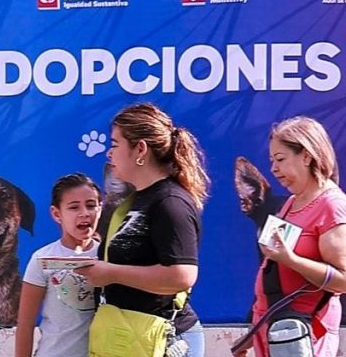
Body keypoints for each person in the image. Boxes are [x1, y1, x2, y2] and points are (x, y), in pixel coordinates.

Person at [77, 102, 208, 357]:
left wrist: (111, 273)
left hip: (163, 340)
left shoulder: (170, 202)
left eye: (115, 144)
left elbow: (182, 275)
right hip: (128, 336)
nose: (109, 153)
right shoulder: (135, 201)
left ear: (140, 149)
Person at [242, 116, 346, 357]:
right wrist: (253, 334)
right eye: (272, 161)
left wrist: (292, 260)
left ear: (306, 156)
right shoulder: (291, 203)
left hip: (303, 334)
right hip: (273, 329)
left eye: (280, 159)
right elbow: (272, 269)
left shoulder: (333, 206)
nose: (274, 168)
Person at [15, 173, 103, 357]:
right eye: (74, 207)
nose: (85, 213)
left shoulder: (109, 256)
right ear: (57, 214)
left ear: (100, 209)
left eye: (91, 205)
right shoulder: (42, 259)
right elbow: (25, 324)